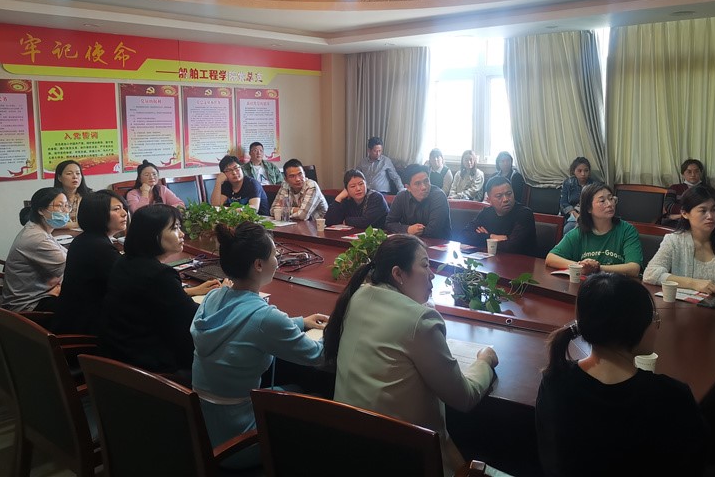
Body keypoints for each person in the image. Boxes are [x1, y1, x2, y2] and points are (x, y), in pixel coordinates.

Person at [323, 234, 498, 477]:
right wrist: (484, 362)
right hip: (407, 461)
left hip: (352, 454)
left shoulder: (358, 295)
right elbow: (464, 397)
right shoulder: (420, 320)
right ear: (398, 274)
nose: (432, 274)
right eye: (425, 265)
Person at [535, 272, 707, 477]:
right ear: (635, 326)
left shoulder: (554, 382)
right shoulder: (673, 397)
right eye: (653, 318)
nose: (656, 325)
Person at [191, 222, 327, 469]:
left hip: (204, 431)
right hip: (240, 443)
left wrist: (300, 322)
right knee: (318, 401)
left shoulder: (212, 298)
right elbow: (318, 355)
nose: (278, 259)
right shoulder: (265, 318)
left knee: (293, 388)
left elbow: (248, 322)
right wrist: (335, 330)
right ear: (258, 265)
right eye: (275, 254)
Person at [100, 205, 219, 381]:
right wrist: (222, 296)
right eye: (174, 228)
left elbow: (155, 301)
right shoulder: (160, 275)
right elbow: (195, 320)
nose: (182, 234)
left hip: (119, 355)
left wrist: (189, 292)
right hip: (152, 369)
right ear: (153, 235)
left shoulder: (124, 261)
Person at [645, 186, 715, 299]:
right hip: (681, 308)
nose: (710, 216)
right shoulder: (673, 241)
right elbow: (650, 274)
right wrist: (693, 283)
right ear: (685, 213)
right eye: (703, 211)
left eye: (713, 210)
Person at [53, 190, 128, 334]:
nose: (124, 213)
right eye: (116, 209)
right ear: (98, 214)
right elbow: (128, 284)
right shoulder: (99, 247)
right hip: (88, 327)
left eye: (123, 208)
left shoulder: (86, 239)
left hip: (75, 318)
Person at [546, 183, 642, 277]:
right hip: (587, 285)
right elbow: (551, 258)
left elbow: (634, 269)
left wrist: (597, 268)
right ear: (588, 208)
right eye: (602, 201)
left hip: (617, 284)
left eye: (611, 198)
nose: (609, 204)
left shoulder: (627, 230)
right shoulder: (580, 232)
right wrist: (581, 266)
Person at [2, 187, 68, 312]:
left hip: (40, 293)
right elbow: (71, 269)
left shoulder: (39, 229)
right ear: (41, 210)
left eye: (66, 205)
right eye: (60, 206)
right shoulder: (37, 238)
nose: (65, 211)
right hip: (28, 306)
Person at [460, 176, 537, 256]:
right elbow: (464, 235)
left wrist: (483, 238)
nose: (505, 199)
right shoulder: (487, 213)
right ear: (489, 200)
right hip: (492, 260)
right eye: (499, 196)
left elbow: (512, 247)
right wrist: (491, 236)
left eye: (509, 194)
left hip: (520, 261)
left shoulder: (524, 214)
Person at [386, 164, 451, 239]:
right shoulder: (401, 196)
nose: (424, 187)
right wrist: (408, 229)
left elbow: (433, 231)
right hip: (410, 242)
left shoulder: (439, 196)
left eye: (426, 181)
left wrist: (413, 232)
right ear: (408, 187)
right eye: (417, 183)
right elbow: (389, 223)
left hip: (437, 242)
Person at [661, 158, 715, 226]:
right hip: (675, 223)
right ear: (683, 174)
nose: (693, 175)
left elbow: (712, 209)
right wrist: (694, 212)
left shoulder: (708, 190)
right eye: (689, 172)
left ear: (701, 173)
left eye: (696, 171)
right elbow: (668, 206)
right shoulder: (674, 188)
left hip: (700, 223)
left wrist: (678, 215)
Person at [324, 169, 389, 229]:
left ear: (366, 184)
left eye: (361, 184)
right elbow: (329, 221)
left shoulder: (376, 197)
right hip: (355, 235)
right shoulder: (347, 199)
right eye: (353, 186)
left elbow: (366, 222)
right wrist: (338, 198)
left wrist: (345, 221)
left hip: (381, 235)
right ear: (346, 189)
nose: (358, 189)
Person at [53, 159, 93, 229]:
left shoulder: (90, 196)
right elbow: (53, 224)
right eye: (69, 173)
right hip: (60, 235)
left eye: (78, 173)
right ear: (59, 178)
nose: (75, 177)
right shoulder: (53, 198)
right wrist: (80, 224)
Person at [559, 156, 594, 234]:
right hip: (570, 215)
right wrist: (575, 214)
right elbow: (563, 202)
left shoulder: (593, 185)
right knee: (562, 229)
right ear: (574, 171)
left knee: (568, 230)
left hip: (587, 216)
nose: (583, 174)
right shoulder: (568, 183)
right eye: (579, 171)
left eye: (586, 170)